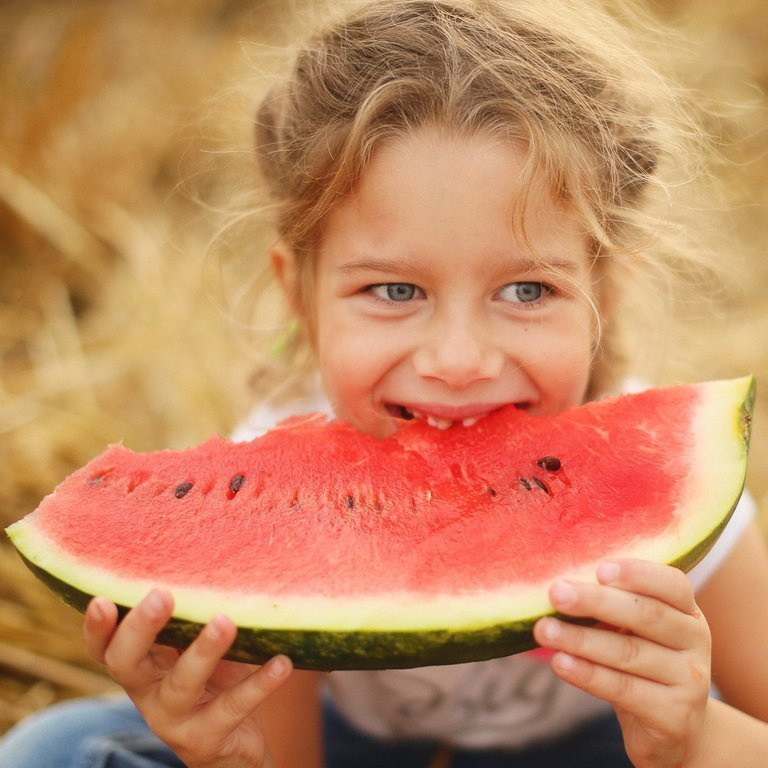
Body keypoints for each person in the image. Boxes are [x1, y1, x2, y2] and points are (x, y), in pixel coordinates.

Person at [2, 0, 768, 766]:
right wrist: (229, 754)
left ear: (609, 295)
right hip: (357, 747)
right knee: (50, 750)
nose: (459, 359)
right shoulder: (270, 504)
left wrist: (692, 736)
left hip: (603, 745)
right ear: (298, 296)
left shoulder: (686, 500)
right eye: (396, 292)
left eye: (527, 291)